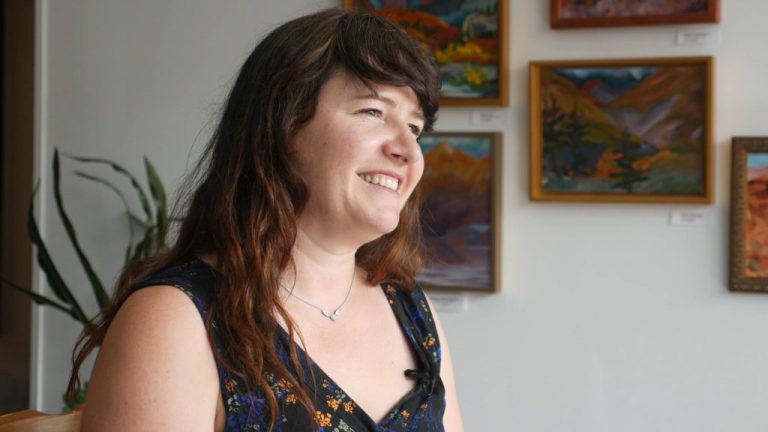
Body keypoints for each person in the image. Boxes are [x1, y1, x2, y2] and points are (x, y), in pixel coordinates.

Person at [67, 7, 463, 431]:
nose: (408, 150)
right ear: (284, 123)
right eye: (373, 112)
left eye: (415, 128)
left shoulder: (412, 312)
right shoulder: (175, 320)